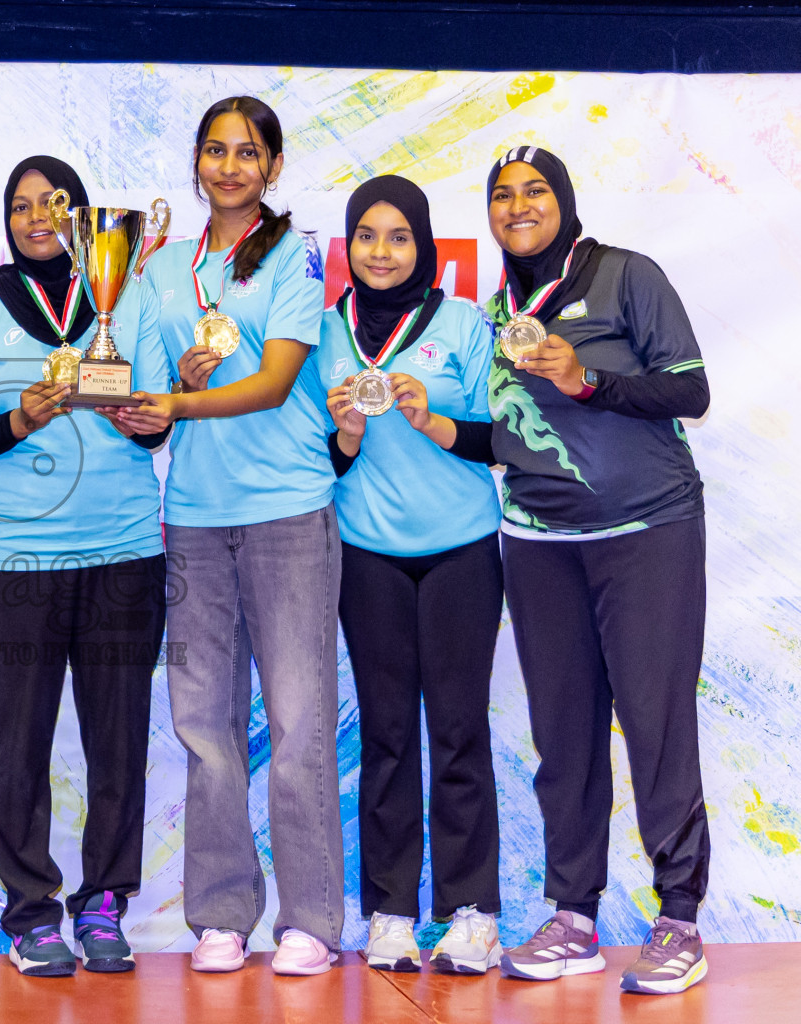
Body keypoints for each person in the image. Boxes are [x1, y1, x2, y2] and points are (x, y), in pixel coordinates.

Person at [118, 96, 342, 975]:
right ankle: (220, 915)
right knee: (205, 726)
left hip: (288, 508)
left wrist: (179, 400)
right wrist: (161, 396)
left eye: (248, 153)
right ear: (197, 163)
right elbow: (156, 414)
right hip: (196, 518)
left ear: (274, 167)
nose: (229, 166)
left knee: (297, 724)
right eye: (215, 150)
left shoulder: (293, 255)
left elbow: (280, 380)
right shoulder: (160, 269)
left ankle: (312, 922)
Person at [481, 147, 712, 995]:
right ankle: (573, 915)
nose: (517, 205)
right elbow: (507, 430)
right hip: (538, 542)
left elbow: (689, 393)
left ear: (565, 201)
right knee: (565, 737)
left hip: (646, 529)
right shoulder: (495, 308)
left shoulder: (625, 276)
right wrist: (439, 426)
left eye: (534, 191)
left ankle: (680, 919)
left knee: (655, 724)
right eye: (502, 195)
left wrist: (588, 383)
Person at [0, 156, 169, 977]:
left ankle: (105, 904)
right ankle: (32, 913)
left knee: (118, 743)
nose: (37, 216)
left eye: (55, 202)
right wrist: (17, 419)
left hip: (123, 553)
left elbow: (156, 433)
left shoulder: (128, 295)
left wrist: (129, 408)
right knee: (16, 745)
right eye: (20, 205)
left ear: (81, 218)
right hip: (14, 559)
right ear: (4, 219)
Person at [303, 175, 504, 974]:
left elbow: (501, 439)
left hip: (460, 550)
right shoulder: (323, 332)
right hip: (368, 555)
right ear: (347, 247)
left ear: (423, 245)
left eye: (398, 237)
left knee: (459, 732)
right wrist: (346, 433)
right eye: (367, 237)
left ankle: (472, 913)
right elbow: (311, 465)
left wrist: (434, 421)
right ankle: (389, 910)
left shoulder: (462, 323)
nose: (381, 253)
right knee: (385, 736)